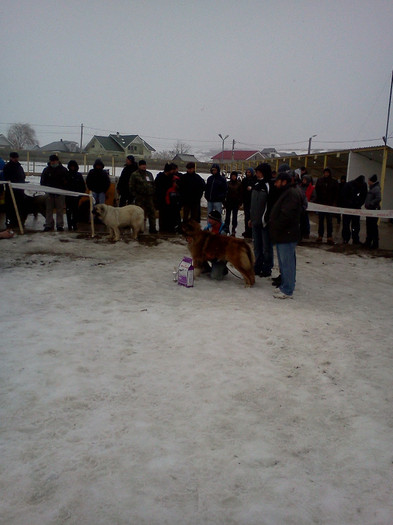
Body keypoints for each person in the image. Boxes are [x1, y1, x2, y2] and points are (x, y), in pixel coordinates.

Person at [269, 169, 303, 299]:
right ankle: (286, 285)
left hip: (286, 234)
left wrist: (276, 226)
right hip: (284, 234)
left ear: (284, 182)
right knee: (285, 263)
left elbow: (286, 216)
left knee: (287, 262)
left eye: (277, 181)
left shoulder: (291, 194)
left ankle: (287, 289)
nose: (275, 184)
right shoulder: (287, 192)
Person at [249, 163, 274, 277]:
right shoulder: (256, 184)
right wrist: (251, 218)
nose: (256, 173)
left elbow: (270, 204)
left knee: (266, 247)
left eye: (258, 171)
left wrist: (265, 219)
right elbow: (253, 204)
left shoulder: (269, 185)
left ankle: (267, 268)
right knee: (257, 246)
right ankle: (257, 266)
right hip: (255, 221)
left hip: (265, 222)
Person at [40, 154, 69, 232]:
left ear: (58, 161)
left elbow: (67, 181)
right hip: (49, 194)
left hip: (60, 194)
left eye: (54, 161)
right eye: (52, 161)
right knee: (49, 210)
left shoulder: (63, 170)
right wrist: (46, 189)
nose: (53, 162)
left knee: (60, 210)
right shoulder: (46, 170)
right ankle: (48, 225)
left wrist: (63, 189)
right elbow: (42, 181)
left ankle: (60, 225)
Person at [129, 159, 157, 233]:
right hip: (139, 197)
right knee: (139, 214)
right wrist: (135, 195)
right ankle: (139, 229)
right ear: (139, 166)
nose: (144, 166)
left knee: (152, 212)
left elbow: (153, 184)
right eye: (142, 165)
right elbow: (131, 186)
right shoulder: (135, 174)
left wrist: (153, 192)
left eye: (144, 165)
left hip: (149, 196)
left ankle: (152, 228)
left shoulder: (149, 174)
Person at [341, 175, 367, 244]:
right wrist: (349, 203)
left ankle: (355, 238)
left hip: (356, 208)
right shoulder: (348, 185)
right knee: (346, 224)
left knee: (355, 225)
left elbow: (364, 196)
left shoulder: (363, 186)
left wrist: (358, 204)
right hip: (348, 208)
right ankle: (346, 238)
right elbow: (344, 196)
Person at [315, 167, 339, 244]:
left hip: (329, 204)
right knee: (321, 221)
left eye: (327, 173)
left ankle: (329, 236)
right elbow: (317, 191)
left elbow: (336, 193)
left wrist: (334, 203)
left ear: (329, 173)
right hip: (321, 204)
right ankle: (320, 236)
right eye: (325, 172)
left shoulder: (334, 182)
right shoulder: (320, 181)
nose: (326, 174)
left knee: (329, 221)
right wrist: (317, 202)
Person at [155, 162, 181, 233]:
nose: (173, 171)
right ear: (168, 170)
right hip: (163, 200)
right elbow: (158, 189)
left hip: (171, 201)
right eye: (171, 170)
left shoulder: (172, 177)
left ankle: (170, 229)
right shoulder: (160, 177)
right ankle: (163, 229)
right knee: (163, 216)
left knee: (170, 216)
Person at [203, 209, 229, 280]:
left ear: (216, 220)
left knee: (215, 277)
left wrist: (214, 255)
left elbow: (224, 248)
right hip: (209, 253)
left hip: (220, 256)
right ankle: (206, 267)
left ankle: (222, 268)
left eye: (210, 219)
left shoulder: (224, 231)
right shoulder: (207, 228)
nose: (208, 220)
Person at [3, 152, 26, 230]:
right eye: (14, 158)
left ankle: (18, 222)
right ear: (11, 158)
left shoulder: (19, 167)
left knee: (20, 207)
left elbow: (23, 176)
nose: (16, 159)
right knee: (10, 208)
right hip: (11, 191)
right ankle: (10, 223)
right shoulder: (7, 167)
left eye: (16, 157)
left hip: (19, 191)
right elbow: (7, 178)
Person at [65, 160, 86, 231]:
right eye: (71, 166)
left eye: (74, 166)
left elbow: (83, 186)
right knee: (68, 211)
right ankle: (69, 225)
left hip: (76, 197)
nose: (72, 168)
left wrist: (80, 195)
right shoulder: (66, 175)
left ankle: (74, 224)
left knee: (75, 212)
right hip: (68, 197)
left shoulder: (79, 175)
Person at [364, 174, 381, 249]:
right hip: (370, 210)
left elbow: (378, 198)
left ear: (371, 181)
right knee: (369, 226)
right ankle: (368, 242)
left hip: (373, 210)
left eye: (369, 180)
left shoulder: (376, 188)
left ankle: (375, 243)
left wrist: (371, 203)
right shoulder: (372, 188)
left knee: (373, 227)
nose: (368, 181)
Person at [224, 171, 242, 236]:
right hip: (228, 202)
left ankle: (234, 229)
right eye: (232, 176)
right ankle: (226, 228)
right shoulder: (228, 183)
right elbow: (225, 193)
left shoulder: (239, 184)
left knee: (234, 217)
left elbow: (240, 194)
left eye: (234, 176)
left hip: (235, 203)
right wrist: (224, 202)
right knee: (227, 217)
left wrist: (240, 203)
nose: (233, 177)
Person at [241, 167, 256, 238]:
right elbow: (242, 189)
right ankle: (247, 230)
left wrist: (251, 188)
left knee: (252, 217)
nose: (248, 174)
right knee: (246, 217)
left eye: (249, 172)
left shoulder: (255, 180)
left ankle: (252, 231)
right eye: (247, 172)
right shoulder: (244, 180)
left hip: (253, 201)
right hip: (246, 201)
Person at [299, 173, 316, 239]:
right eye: (303, 179)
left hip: (307, 206)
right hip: (301, 206)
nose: (303, 181)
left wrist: (310, 203)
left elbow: (314, 197)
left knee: (305, 220)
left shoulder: (311, 188)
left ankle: (306, 232)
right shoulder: (300, 187)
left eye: (305, 180)